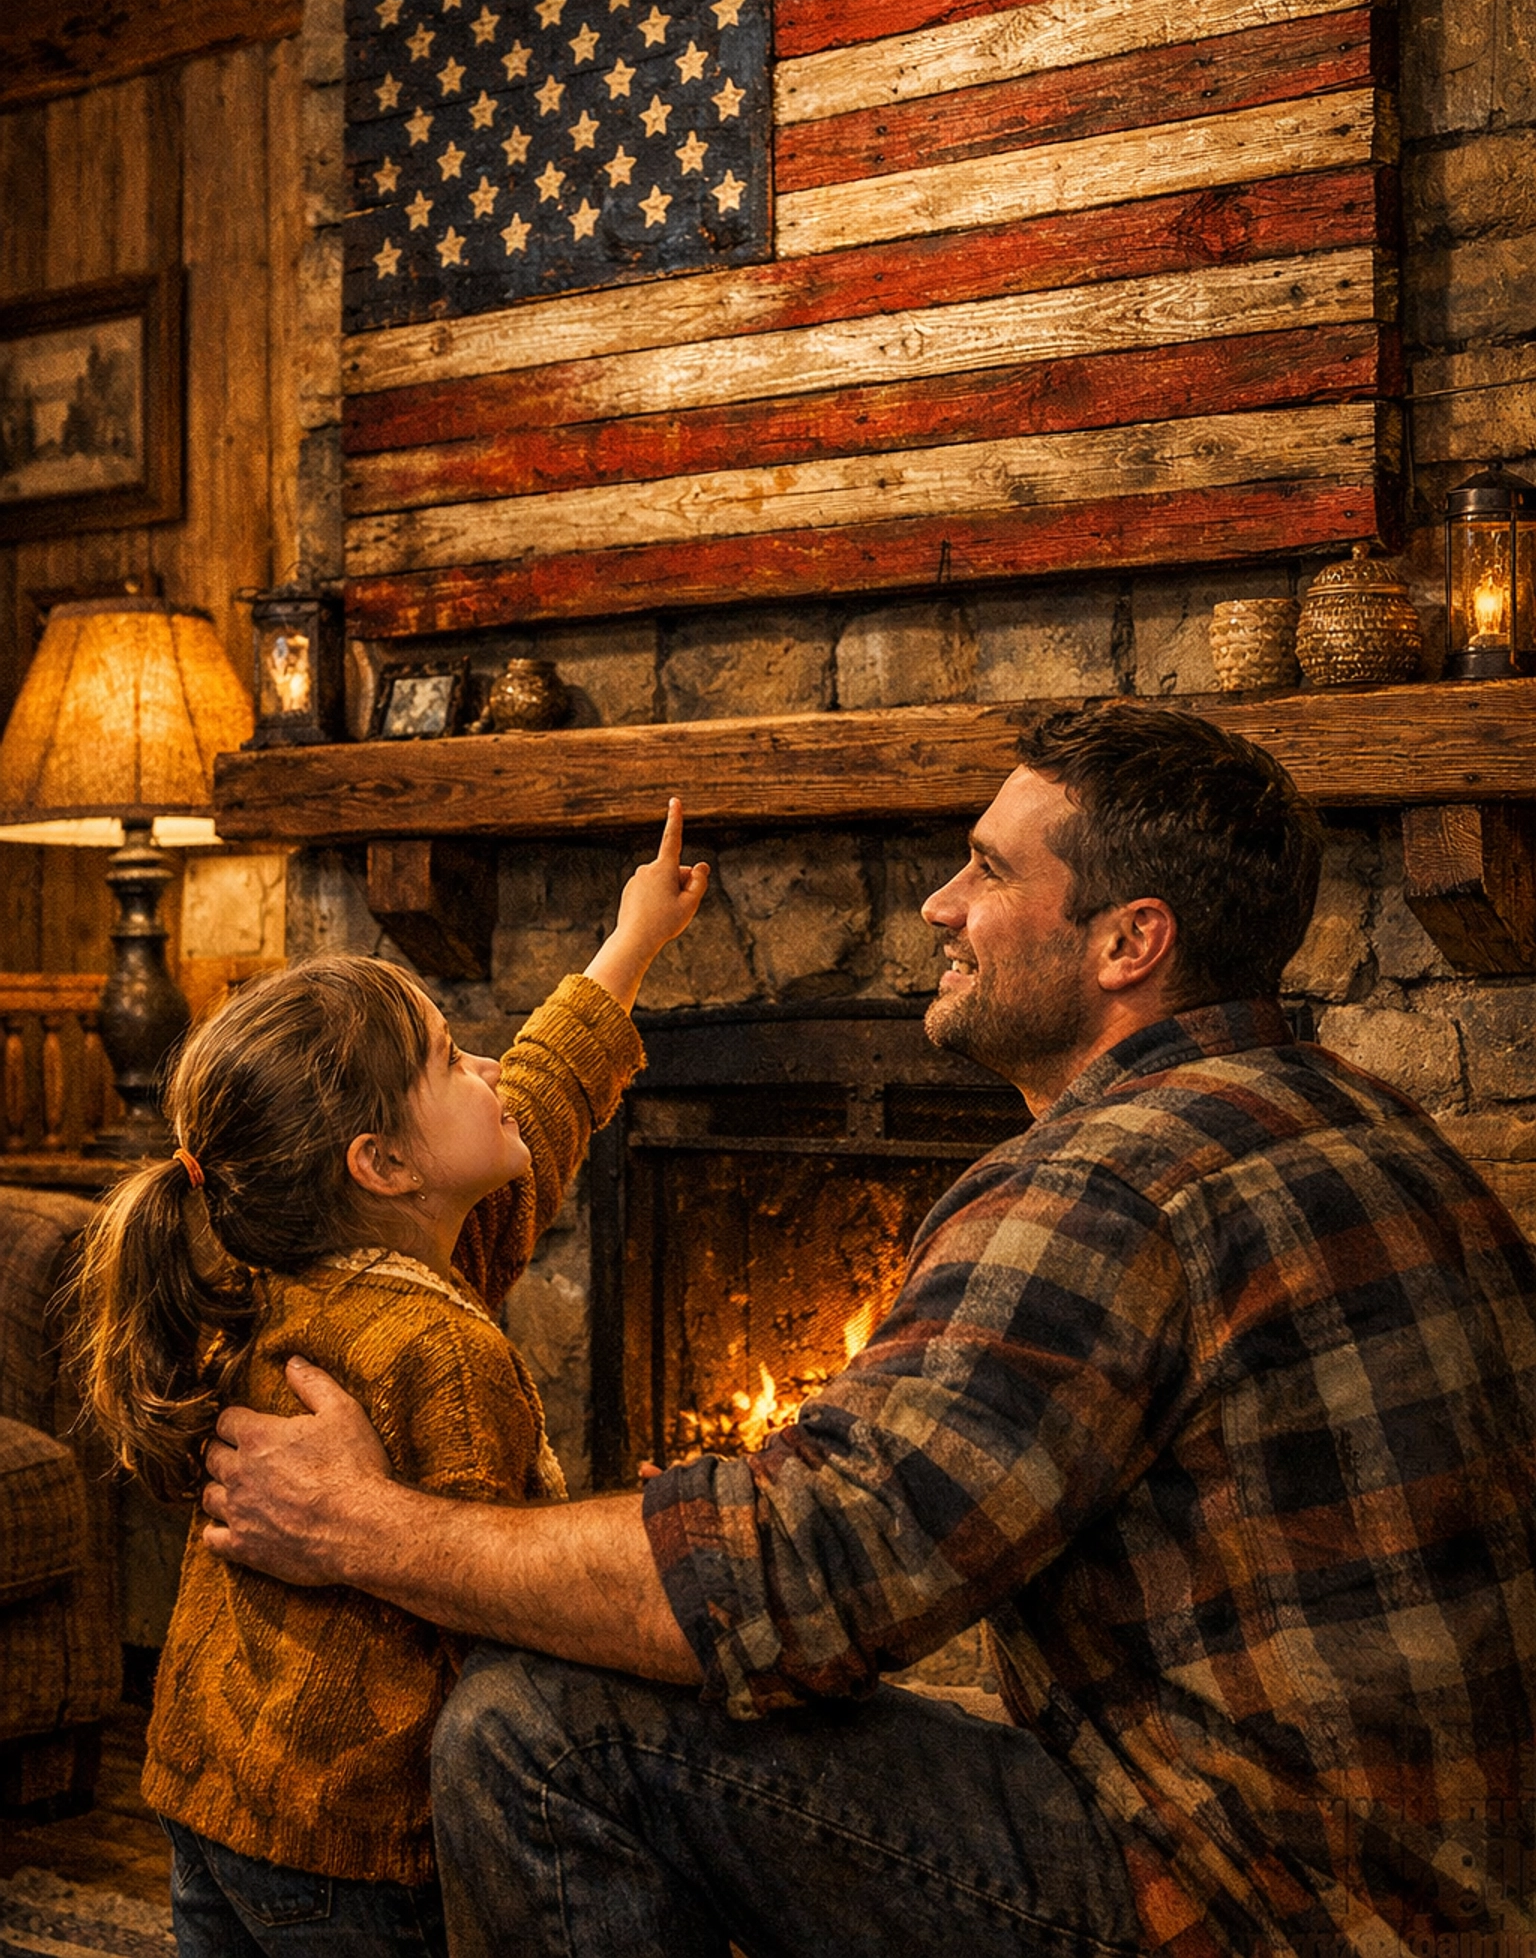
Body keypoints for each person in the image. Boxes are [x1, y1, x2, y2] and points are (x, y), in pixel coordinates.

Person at [199, 706, 1536, 1958]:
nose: (937, 906)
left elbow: (797, 1578)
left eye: (987, 871)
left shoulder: (1104, 1186)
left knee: (540, 1726)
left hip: (1257, 1904)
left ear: (1130, 943)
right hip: (1433, 1878)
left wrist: (358, 1529)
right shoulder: (1368, 1116)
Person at [75, 802, 708, 1957]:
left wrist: (633, 941)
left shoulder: (270, 1281)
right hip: (351, 1847)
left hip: (205, 1794)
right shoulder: (442, 1351)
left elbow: (544, 1104)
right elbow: (496, 1602)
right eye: (447, 1059)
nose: (488, 1067)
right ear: (383, 1165)